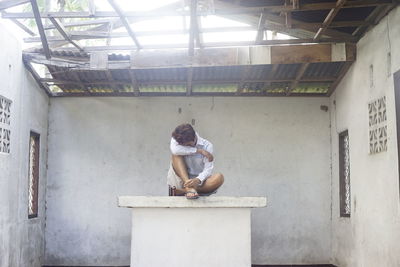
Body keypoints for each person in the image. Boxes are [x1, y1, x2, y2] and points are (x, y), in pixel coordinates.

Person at [167, 123, 224, 199]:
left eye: (187, 145)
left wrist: (198, 180)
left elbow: (208, 169)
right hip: (180, 180)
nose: (185, 147)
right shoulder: (177, 138)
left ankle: (185, 190)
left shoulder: (207, 145)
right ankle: (189, 188)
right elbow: (175, 150)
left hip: (198, 183)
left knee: (219, 177)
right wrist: (199, 151)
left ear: (193, 139)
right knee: (176, 155)